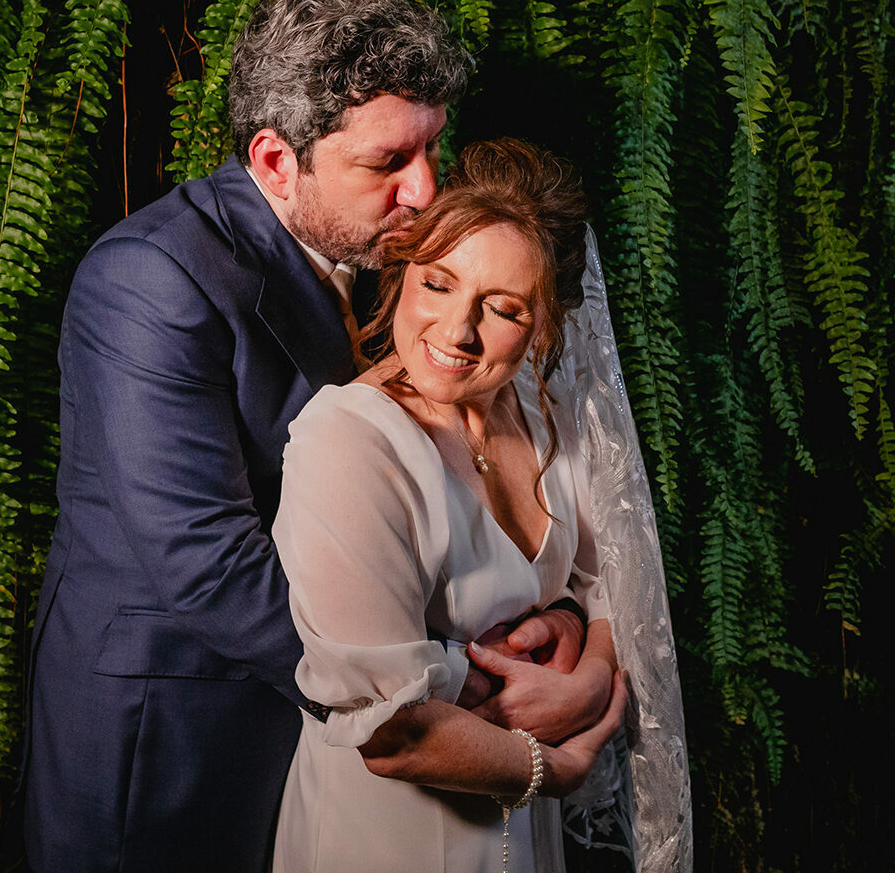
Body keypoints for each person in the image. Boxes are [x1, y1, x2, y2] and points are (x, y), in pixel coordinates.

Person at [22, 0, 607, 873]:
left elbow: (467, 470)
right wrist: (459, 680)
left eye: (431, 151)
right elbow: (211, 565)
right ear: (273, 164)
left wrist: (549, 616)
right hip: (179, 730)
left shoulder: (398, 250)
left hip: (337, 749)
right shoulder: (149, 281)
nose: (425, 192)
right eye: (388, 164)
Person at [272, 138, 668, 872]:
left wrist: (584, 673)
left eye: (503, 308)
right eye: (440, 283)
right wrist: (561, 768)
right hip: (390, 839)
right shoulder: (348, 444)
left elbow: (615, 575)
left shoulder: (545, 415)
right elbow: (394, 736)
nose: (456, 332)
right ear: (402, 271)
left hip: (525, 840)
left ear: (546, 325)